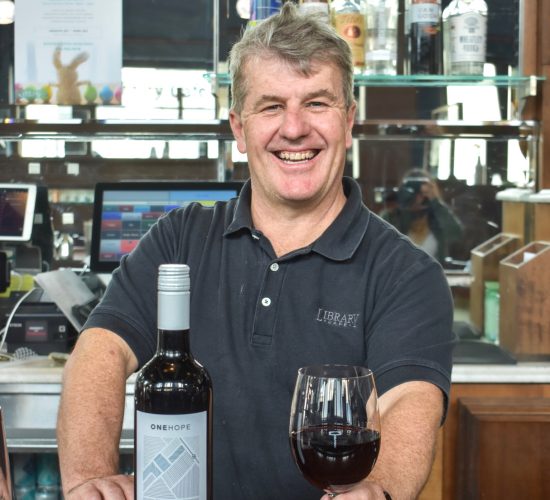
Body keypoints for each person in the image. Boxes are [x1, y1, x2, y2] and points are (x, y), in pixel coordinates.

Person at [57, 4, 454, 500]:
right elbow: (102, 349)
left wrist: (381, 488)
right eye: (270, 106)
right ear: (239, 130)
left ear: (349, 121)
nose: (293, 129)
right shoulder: (180, 238)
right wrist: (88, 477)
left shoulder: (406, 273)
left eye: (317, 103)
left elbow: (409, 401)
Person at [380, 169, 463, 264]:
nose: (417, 197)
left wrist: (435, 202)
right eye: (410, 191)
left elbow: (456, 234)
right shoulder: (394, 216)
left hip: (432, 276)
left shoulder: (436, 217)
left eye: (421, 193)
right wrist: (401, 208)